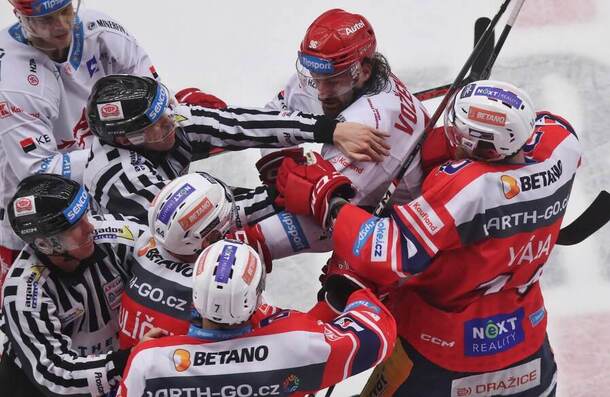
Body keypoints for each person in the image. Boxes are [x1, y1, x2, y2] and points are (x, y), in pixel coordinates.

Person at [274, 80, 580, 396]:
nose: (451, 137)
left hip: (440, 354)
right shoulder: (560, 146)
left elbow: (385, 252)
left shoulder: (466, 188)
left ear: (481, 147)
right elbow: (539, 124)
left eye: (458, 133)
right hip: (525, 345)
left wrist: (325, 199)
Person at [0, 0, 158, 298]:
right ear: (20, 16)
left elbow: (152, 95)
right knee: (28, 311)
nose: (60, 25)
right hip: (32, 220)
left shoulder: (103, 32)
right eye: (46, 19)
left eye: (65, 11)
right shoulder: (14, 82)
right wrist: (127, 152)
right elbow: (37, 173)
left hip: (98, 196)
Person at [83, 74, 390, 224]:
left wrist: (329, 129)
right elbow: (196, 220)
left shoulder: (164, 121)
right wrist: (285, 196)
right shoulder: (119, 176)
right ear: (126, 139)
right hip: (140, 256)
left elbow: (237, 123)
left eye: (164, 108)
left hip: (177, 216)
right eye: (154, 122)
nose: (170, 121)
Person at [250, 8, 430, 260]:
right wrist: (277, 163)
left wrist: (252, 241)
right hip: (370, 197)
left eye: (332, 81)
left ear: (364, 71)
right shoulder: (332, 70)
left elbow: (319, 216)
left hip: (403, 235)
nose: (321, 91)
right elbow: (277, 111)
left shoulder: (369, 126)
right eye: (315, 76)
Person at [118, 239, 396, 397]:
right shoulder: (298, 344)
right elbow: (378, 336)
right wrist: (356, 296)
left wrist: (146, 349)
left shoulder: (149, 361)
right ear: (256, 296)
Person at [0, 174, 150, 396]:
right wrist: (131, 359)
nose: (90, 227)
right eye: (74, 226)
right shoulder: (24, 292)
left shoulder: (113, 235)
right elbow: (54, 373)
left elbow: (163, 246)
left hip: (107, 360)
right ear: (45, 244)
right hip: (36, 383)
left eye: (85, 214)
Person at [119, 171, 273, 348]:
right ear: (207, 238)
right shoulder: (217, 284)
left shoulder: (142, 242)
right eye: (224, 215)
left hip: (134, 364)